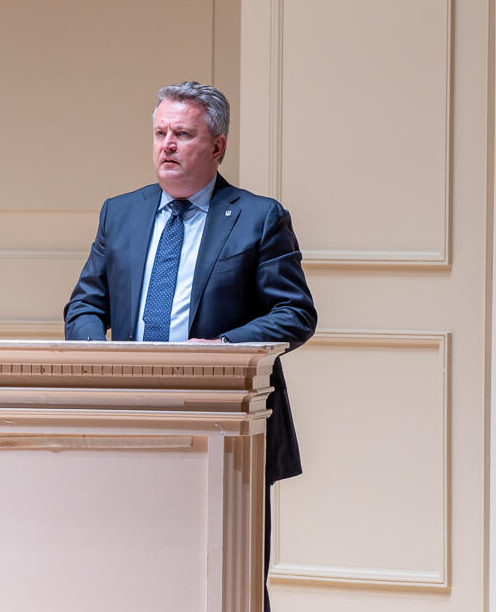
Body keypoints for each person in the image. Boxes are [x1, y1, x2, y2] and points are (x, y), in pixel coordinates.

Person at [64, 80, 316, 607]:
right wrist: (101, 359)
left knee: (230, 579)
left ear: (218, 146)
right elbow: (85, 305)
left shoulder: (258, 217)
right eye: (160, 133)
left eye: (182, 134)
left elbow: (295, 312)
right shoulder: (121, 213)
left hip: (226, 419)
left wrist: (222, 348)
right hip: (131, 417)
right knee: (135, 573)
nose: (167, 146)